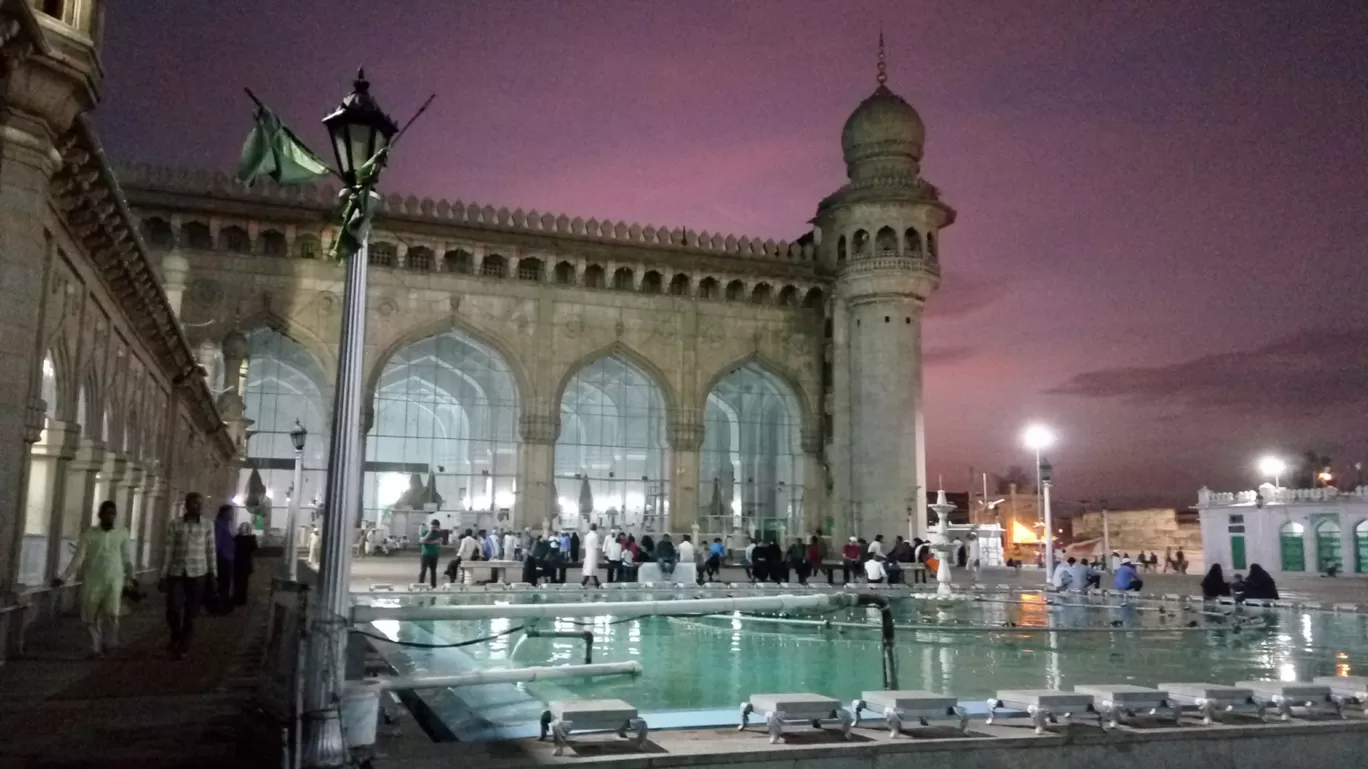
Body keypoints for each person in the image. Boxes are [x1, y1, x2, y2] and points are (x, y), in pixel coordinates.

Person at [55, 500, 133, 657]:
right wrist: (63, 577)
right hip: (93, 581)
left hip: (114, 581)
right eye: (107, 513)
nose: (110, 517)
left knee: (112, 614)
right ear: (100, 515)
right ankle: (96, 647)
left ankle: (110, 644)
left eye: (113, 514)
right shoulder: (89, 535)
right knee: (90, 615)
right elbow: (78, 559)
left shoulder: (122, 533)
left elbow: (127, 557)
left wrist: (131, 577)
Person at [160, 492, 216, 659]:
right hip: (177, 572)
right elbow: (168, 551)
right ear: (186, 505)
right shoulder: (175, 525)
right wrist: (163, 575)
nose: (197, 507)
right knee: (173, 609)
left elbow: (211, 550)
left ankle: (184, 645)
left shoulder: (207, 525)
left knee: (191, 613)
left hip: (199, 573)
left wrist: (213, 574)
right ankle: (176, 633)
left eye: (199, 504)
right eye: (193, 504)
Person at [211, 504, 235, 613]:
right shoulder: (219, 525)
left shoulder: (225, 525)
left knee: (226, 583)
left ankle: (224, 605)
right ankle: (220, 606)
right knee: (223, 583)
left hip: (227, 557)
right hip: (222, 558)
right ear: (224, 513)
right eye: (230, 513)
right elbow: (217, 542)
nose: (232, 515)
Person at [232, 522, 258, 607]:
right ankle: (242, 599)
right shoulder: (251, 539)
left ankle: (237, 598)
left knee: (237, 582)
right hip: (246, 564)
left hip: (237, 563)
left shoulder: (237, 538)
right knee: (244, 583)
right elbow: (254, 548)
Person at [417, 519, 442, 588]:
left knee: (433, 571)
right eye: (434, 527)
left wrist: (435, 542)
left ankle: (433, 586)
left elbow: (439, 542)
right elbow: (422, 541)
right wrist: (430, 532)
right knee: (423, 570)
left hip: (435, 554)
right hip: (426, 554)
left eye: (436, 527)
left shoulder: (438, 533)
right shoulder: (425, 532)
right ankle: (420, 585)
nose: (435, 528)